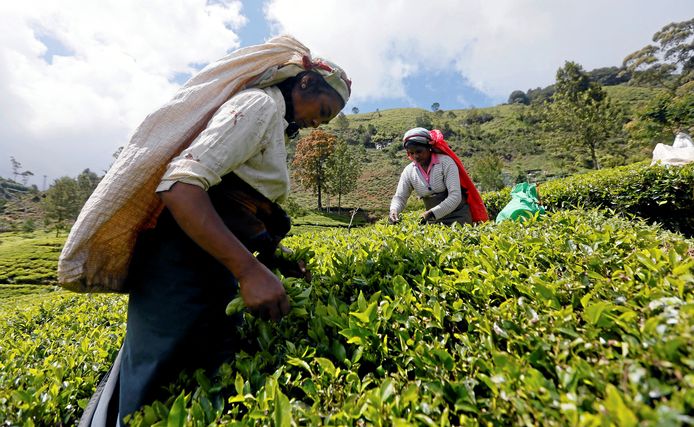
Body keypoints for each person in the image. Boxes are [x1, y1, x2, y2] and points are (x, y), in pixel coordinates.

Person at [60, 35, 351, 425]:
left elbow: (231, 201)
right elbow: (181, 188)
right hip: (180, 265)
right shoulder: (259, 106)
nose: (318, 122)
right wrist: (249, 271)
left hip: (209, 265)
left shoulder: (273, 121)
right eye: (324, 108)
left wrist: (271, 258)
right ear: (305, 82)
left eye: (326, 119)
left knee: (187, 379)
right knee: (152, 382)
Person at [388, 127, 488, 226]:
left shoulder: (445, 163)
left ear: (429, 148)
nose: (416, 156)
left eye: (419, 151)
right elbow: (400, 197)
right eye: (411, 153)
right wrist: (394, 210)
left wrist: (431, 213)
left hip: (459, 217)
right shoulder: (409, 171)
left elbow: (455, 196)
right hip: (433, 220)